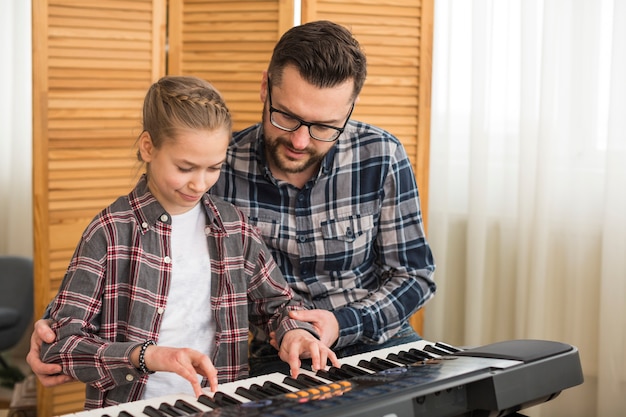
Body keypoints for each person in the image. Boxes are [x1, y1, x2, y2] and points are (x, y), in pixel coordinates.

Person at [29, 19, 436, 382]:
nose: (299, 140)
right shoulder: (219, 167)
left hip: (376, 340)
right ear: (265, 88)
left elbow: (416, 277)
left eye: (324, 127)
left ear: (349, 111)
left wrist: (340, 323)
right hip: (275, 356)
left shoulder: (381, 155)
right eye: (287, 116)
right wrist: (54, 329)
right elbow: (139, 250)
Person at [37, 75, 338, 409]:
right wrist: (145, 356)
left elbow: (279, 306)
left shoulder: (234, 228)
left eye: (213, 168)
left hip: (219, 405)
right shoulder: (109, 231)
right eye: (185, 167)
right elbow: (60, 344)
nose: (199, 183)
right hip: (134, 407)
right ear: (148, 147)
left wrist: (293, 332)